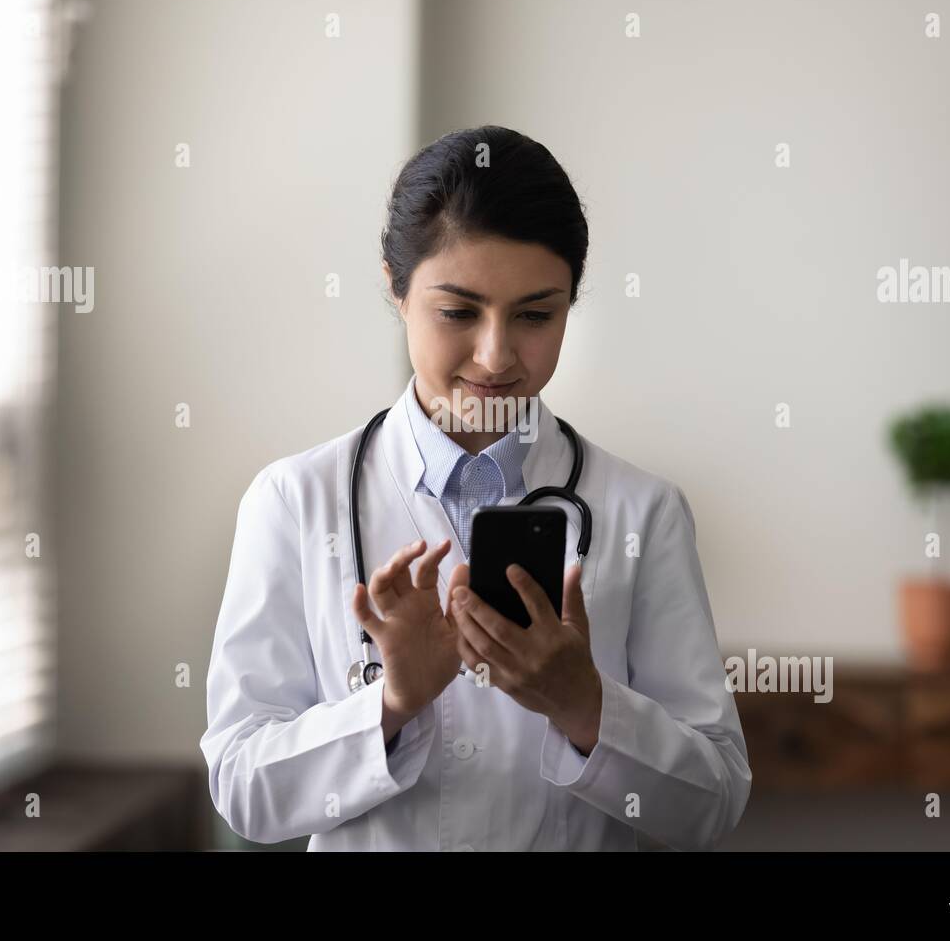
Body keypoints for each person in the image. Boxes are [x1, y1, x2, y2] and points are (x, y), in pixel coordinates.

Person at [199, 126, 751, 850]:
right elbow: (245, 792)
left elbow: (711, 805)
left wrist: (587, 706)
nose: (495, 356)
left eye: (535, 315)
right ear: (396, 289)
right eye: (458, 312)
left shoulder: (643, 512)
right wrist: (391, 705)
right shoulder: (293, 501)